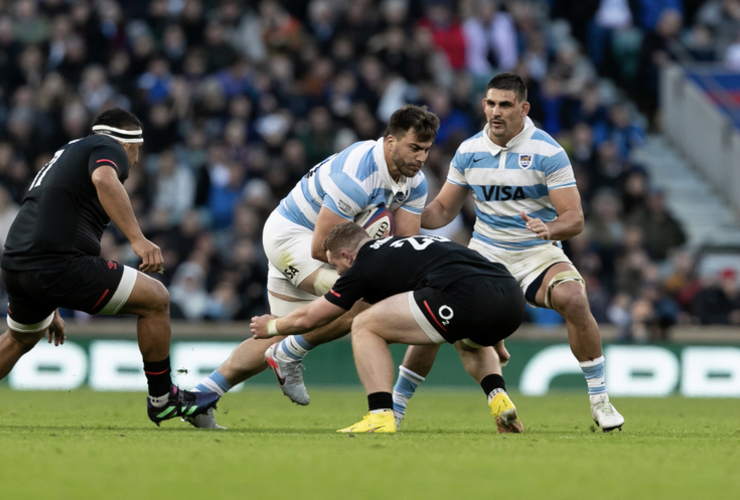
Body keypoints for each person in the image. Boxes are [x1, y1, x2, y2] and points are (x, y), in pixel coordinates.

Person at [391, 73, 625, 432]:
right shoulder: (469, 151)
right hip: (486, 255)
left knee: (574, 298)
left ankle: (600, 400)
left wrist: (551, 229)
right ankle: (395, 407)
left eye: (505, 104)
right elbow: (440, 213)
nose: (495, 112)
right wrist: (403, 212)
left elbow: (575, 219)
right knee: (436, 317)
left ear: (523, 108)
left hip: (537, 253)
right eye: (490, 103)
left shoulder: (548, 152)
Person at [188, 105, 439, 428]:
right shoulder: (355, 178)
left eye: (426, 150)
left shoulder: (414, 182)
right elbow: (322, 247)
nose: (421, 158)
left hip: (322, 243)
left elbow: (403, 246)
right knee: (359, 300)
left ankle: (200, 397)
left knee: (278, 330)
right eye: (414, 148)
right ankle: (291, 353)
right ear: (390, 142)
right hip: (292, 238)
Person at [0, 108, 219, 426]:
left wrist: (50, 303)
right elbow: (104, 177)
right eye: (138, 149)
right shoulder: (107, 146)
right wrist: (138, 239)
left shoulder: (68, 153)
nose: (137, 159)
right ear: (127, 142)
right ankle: (163, 399)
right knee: (155, 298)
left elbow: (46, 214)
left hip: (18, 264)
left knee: (18, 339)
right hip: (57, 263)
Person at [251, 222, 526, 433]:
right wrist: (497, 340)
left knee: (364, 324)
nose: (338, 274)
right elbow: (476, 280)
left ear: (347, 256)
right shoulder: (408, 244)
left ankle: (381, 414)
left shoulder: (363, 265)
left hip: (463, 295)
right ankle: (499, 399)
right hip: (510, 297)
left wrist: (273, 326)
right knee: (463, 337)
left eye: (336, 266)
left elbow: (313, 317)